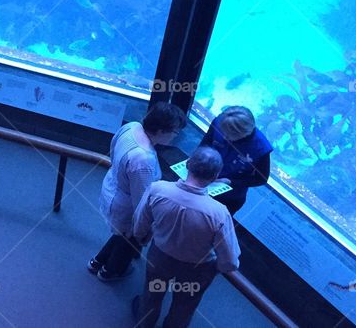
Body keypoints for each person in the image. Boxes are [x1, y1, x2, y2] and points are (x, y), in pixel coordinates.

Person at [131, 147, 241, 328]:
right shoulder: (219, 213)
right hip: (196, 269)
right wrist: (219, 267)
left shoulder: (157, 189)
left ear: (188, 165)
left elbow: (140, 223)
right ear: (215, 177)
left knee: (152, 293)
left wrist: (143, 239)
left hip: (160, 257)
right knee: (184, 305)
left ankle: (144, 323)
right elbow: (230, 260)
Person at [89, 102, 186, 281]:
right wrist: (142, 228)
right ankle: (110, 272)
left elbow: (112, 149)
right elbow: (141, 201)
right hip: (127, 207)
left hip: (113, 187)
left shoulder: (132, 126)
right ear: (162, 130)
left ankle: (97, 261)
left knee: (120, 235)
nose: (175, 137)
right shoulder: (143, 159)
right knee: (129, 239)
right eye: (175, 132)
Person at [198, 106, 272, 215]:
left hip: (228, 198)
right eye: (222, 132)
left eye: (229, 135)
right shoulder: (220, 122)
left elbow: (261, 178)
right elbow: (205, 143)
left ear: (245, 133)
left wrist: (231, 182)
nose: (224, 137)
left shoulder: (261, 148)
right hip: (201, 182)